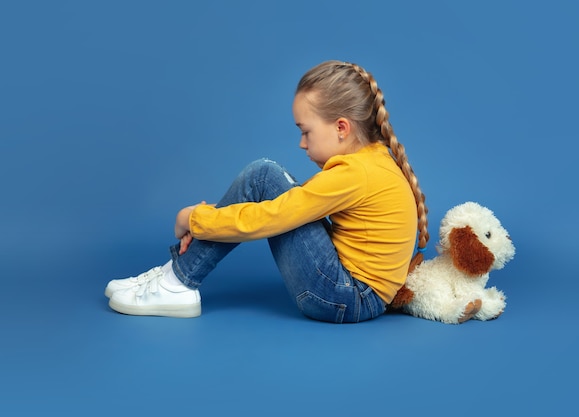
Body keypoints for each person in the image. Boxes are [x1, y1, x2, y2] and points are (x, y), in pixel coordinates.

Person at [105, 60, 429, 323]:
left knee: (263, 177)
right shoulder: (374, 161)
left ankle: (177, 282)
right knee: (272, 187)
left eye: (306, 132)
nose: (301, 143)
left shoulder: (354, 173)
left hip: (344, 298)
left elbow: (271, 218)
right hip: (357, 295)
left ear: (341, 128)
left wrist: (193, 218)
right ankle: (175, 275)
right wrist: (206, 220)